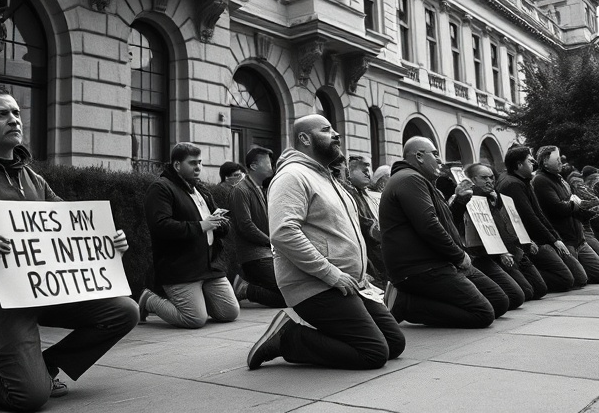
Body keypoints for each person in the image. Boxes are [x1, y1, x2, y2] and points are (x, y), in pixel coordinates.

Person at [0, 86, 138, 411]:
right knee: (30, 397)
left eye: (16, 113)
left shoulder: (33, 180)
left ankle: (46, 367)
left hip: (39, 292)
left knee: (124, 311)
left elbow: (71, 227)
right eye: (1, 114)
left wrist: (104, 242)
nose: (14, 119)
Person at [247, 114, 405, 370]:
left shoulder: (328, 178)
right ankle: (289, 336)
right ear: (305, 138)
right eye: (326, 130)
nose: (336, 135)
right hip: (315, 285)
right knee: (373, 353)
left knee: (394, 344)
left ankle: (321, 333)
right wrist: (331, 274)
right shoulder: (292, 176)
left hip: (347, 283)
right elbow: (284, 232)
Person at [379, 137, 508, 328]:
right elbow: (429, 225)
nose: (440, 160)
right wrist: (458, 256)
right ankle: (404, 303)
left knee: (500, 300)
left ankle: (424, 300)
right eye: (435, 154)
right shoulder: (409, 179)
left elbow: (446, 224)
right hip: (423, 268)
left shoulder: (423, 182)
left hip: (443, 261)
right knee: (482, 313)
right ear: (420, 156)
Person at [139, 143, 240, 328]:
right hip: (181, 267)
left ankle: (199, 299)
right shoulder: (161, 188)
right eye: (192, 163)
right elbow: (161, 226)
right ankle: (148, 299)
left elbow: (214, 220)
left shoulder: (200, 189)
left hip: (210, 265)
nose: (198, 167)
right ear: (177, 165)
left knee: (230, 312)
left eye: (200, 162)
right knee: (195, 319)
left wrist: (221, 224)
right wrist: (201, 225)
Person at [456, 163, 546, 302]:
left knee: (539, 289)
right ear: (472, 180)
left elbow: (510, 224)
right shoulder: (465, 201)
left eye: (492, 177)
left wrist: (525, 241)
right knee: (523, 293)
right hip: (482, 255)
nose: (489, 181)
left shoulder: (497, 198)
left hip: (509, 250)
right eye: (484, 178)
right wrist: (501, 252)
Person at [497, 146, 580, 292]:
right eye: (529, 161)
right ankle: (525, 275)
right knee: (566, 279)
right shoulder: (513, 184)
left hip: (541, 239)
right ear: (519, 165)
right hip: (530, 242)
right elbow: (530, 218)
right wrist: (552, 240)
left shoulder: (524, 181)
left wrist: (555, 239)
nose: (533, 163)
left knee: (577, 276)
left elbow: (538, 213)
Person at [532, 146, 599, 284]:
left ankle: (579, 270)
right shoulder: (540, 180)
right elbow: (559, 208)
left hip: (578, 238)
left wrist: (589, 211)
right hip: (565, 239)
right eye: (557, 160)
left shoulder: (560, 178)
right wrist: (576, 204)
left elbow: (571, 204)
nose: (561, 163)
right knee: (579, 279)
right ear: (545, 161)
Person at [230, 147, 285, 307]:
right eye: (268, 163)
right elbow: (245, 226)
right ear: (253, 166)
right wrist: (271, 242)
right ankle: (245, 288)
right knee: (287, 296)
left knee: (294, 290)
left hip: (268, 253)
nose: (272, 166)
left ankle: (249, 284)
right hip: (254, 256)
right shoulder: (241, 190)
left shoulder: (261, 188)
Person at [347, 155, 387, 284]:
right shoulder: (349, 193)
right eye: (363, 169)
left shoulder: (367, 194)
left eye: (369, 168)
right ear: (349, 172)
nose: (368, 173)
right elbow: (367, 224)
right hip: (366, 261)